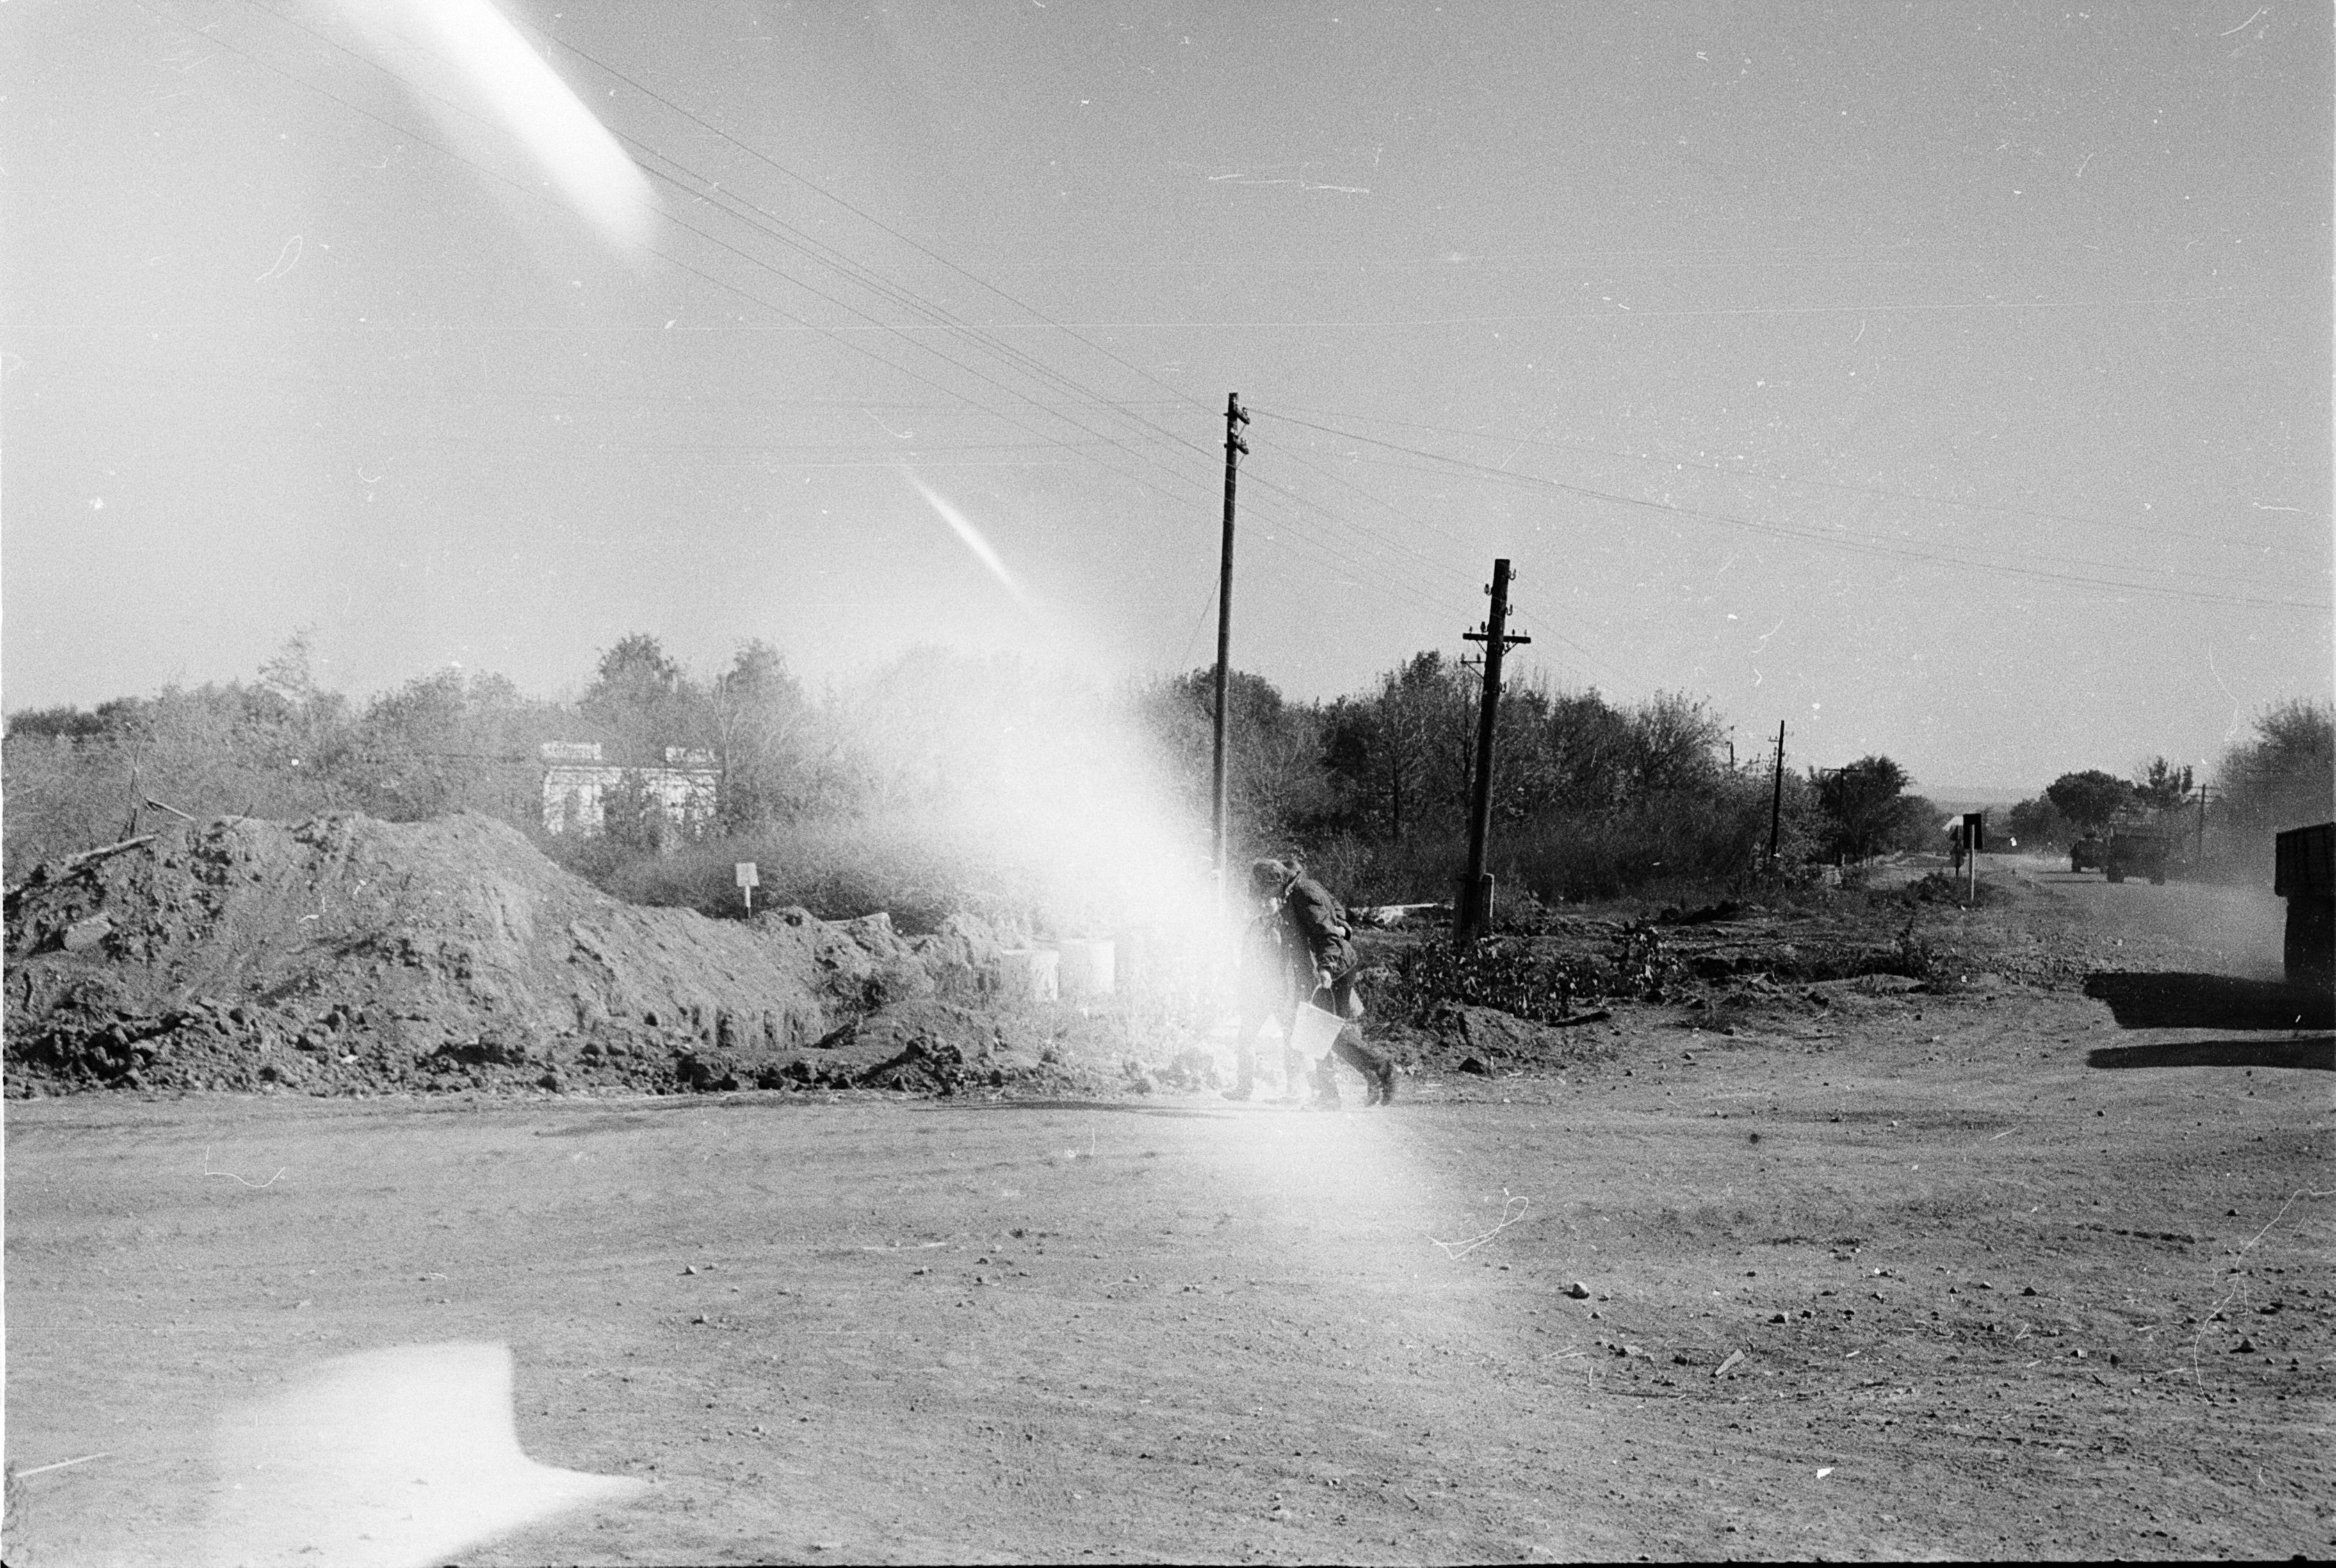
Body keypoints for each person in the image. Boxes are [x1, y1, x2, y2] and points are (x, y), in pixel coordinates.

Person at [1239, 857, 1397, 1108]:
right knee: (1322, 1032)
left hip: (1332, 970)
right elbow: (1335, 910)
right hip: (1320, 970)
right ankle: (1358, 1081)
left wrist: (1326, 967)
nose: (1264, 897)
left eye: (1264, 890)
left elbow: (1325, 933)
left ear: (1275, 881)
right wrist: (1342, 928)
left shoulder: (1303, 893)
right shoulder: (1298, 890)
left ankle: (1377, 1070)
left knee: (1322, 1032)